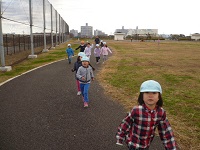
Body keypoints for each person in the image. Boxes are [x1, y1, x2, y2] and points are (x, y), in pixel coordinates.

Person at [116, 80, 177, 150]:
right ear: (142, 96)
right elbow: (125, 123)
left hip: (146, 144)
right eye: (147, 92)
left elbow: (165, 131)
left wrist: (171, 147)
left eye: (154, 93)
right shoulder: (136, 110)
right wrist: (120, 137)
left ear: (159, 97)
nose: (150, 95)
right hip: (133, 143)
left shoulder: (161, 113)